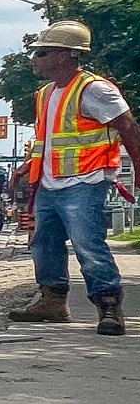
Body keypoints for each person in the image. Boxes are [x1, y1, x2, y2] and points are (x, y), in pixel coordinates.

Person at [8, 20, 140, 336]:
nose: (34, 59)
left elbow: (130, 129)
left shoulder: (95, 89)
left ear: (65, 55)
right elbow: (49, 139)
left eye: (42, 53)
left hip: (86, 182)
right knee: (45, 243)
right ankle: (53, 302)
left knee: (87, 245)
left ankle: (109, 307)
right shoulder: (44, 94)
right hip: (51, 184)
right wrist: (30, 164)